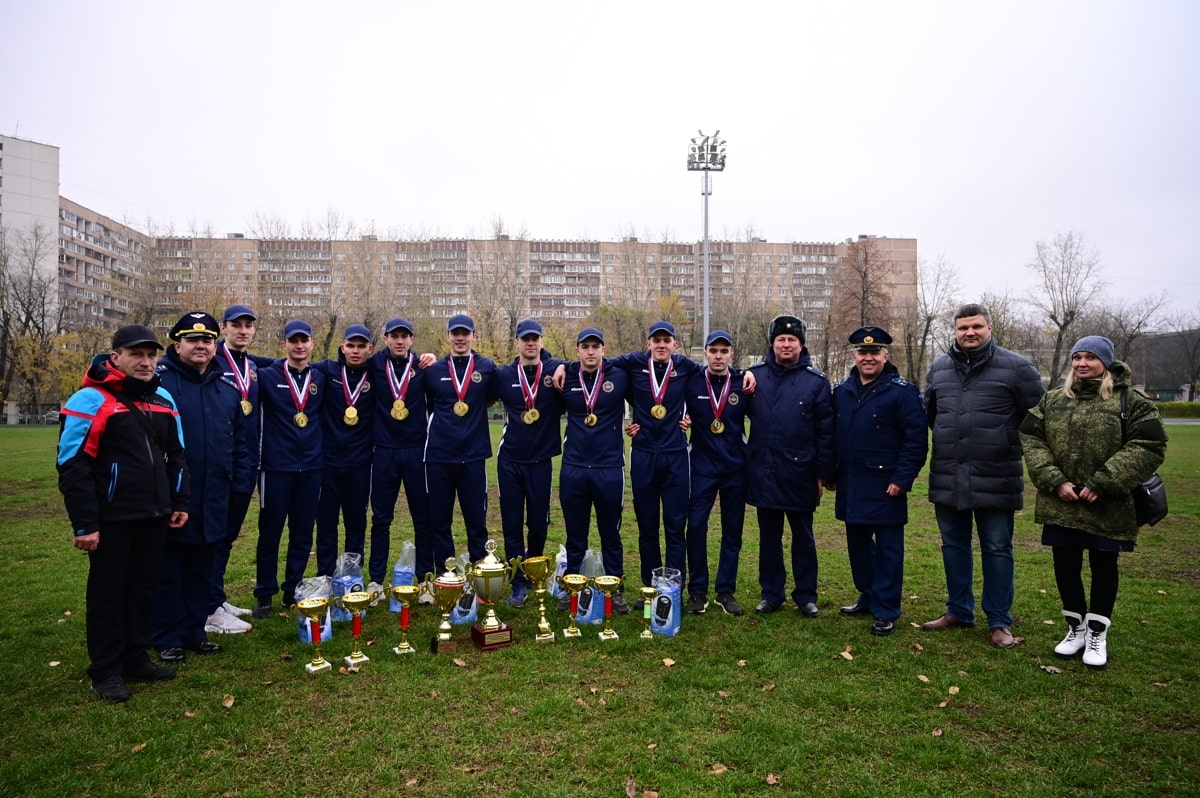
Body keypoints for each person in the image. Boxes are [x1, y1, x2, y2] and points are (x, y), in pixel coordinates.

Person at [57, 324, 189, 702]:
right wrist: (85, 523)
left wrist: (179, 503)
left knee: (143, 589)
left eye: (151, 355)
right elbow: (73, 465)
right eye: (137, 355)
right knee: (108, 594)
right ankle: (106, 668)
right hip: (112, 519)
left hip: (155, 515)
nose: (146, 362)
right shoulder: (89, 399)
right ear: (116, 357)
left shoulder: (163, 398)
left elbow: (177, 456)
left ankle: (136, 656)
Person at [1020, 335, 1167, 668]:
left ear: (1106, 362)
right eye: (1077, 357)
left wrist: (1103, 482)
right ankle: (1076, 628)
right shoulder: (1052, 400)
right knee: (1065, 566)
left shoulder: (1131, 401)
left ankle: (1097, 631)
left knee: (1103, 566)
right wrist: (1055, 480)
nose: (1082, 363)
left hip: (1108, 505)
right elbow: (1031, 437)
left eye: (1090, 358)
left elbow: (1149, 445)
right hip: (1062, 502)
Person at [922, 303, 1045, 648]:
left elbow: (1036, 421)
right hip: (948, 473)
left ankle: (999, 621)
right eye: (963, 328)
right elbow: (932, 417)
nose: (969, 333)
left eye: (976, 326)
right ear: (955, 331)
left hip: (997, 474)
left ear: (989, 328)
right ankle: (959, 609)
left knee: (996, 547)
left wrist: (1004, 446)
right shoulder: (939, 369)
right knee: (954, 546)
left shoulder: (1018, 368)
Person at [153, 312, 251, 662]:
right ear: (177, 344)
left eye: (207, 340)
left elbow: (239, 441)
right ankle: (166, 635)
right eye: (192, 340)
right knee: (170, 567)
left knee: (202, 565)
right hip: (174, 493)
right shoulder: (160, 385)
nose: (201, 346)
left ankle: (195, 630)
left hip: (215, 493)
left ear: (215, 345)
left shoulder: (225, 389)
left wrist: (239, 483)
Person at [829, 326, 928, 636]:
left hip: (886, 483)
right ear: (854, 356)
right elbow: (834, 436)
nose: (868, 357)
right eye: (862, 352)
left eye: (874, 352)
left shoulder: (902, 391)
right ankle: (868, 596)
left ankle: (886, 609)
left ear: (886, 355)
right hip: (852, 481)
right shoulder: (842, 390)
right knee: (858, 546)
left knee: (888, 550)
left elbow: (916, 441)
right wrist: (831, 472)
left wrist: (902, 478)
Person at [745, 314, 834, 617]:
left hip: (801, 473)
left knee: (803, 538)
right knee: (768, 537)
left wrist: (823, 474)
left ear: (801, 344)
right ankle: (771, 593)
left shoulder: (816, 382)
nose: (786, 344)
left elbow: (826, 431)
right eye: (780, 340)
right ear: (772, 344)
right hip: (765, 471)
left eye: (791, 340)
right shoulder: (754, 377)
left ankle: (806, 595)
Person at [607, 320, 702, 593]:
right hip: (643, 454)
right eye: (656, 340)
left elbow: (712, 383)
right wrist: (564, 368)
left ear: (675, 344)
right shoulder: (634, 363)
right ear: (648, 344)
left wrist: (692, 416)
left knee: (675, 528)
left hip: (675, 456)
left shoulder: (685, 367)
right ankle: (650, 588)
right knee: (647, 528)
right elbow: (599, 363)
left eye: (666, 340)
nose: (661, 345)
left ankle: (671, 589)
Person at [252, 319, 325, 618]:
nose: (299, 345)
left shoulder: (320, 376)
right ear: (283, 344)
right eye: (293, 340)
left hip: (311, 467)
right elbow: (231, 355)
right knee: (270, 531)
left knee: (303, 532)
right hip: (275, 466)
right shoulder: (266, 375)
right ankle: (264, 594)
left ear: (311, 344)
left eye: (304, 340)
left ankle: (292, 589)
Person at [556, 327, 631, 613]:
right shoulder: (567, 376)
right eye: (585, 346)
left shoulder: (619, 375)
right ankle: (571, 587)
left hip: (609, 467)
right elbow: (543, 364)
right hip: (574, 466)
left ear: (603, 349)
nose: (590, 351)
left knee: (610, 532)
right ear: (577, 350)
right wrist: (561, 365)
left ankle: (616, 587)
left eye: (595, 346)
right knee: (576, 533)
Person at [494, 319, 565, 607]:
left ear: (542, 341)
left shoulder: (554, 370)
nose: (530, 343)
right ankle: (518, 582)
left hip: (541, 460)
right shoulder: (503, 374)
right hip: (509, 459)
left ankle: (534, 570)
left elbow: (580, 366)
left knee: (538, 522)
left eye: (535, 338)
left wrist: (562, 365)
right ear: (516, 343)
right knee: (511, 523)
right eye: (525, 339)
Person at [682, 330, 750, 616]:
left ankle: (725, 590)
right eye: (713, 351)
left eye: (724, 351)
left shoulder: (744, 381)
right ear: (705, 353)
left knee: (732, 531)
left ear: (731, 354)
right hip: (702, 466)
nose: (718, 356)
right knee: (696, 526)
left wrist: (753, 372)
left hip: (736, 467)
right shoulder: (692, 380)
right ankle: (698, 591)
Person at [424, 314, 500, 565]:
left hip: (474, 456)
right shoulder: (433, 371)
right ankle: (446, 576)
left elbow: (493, 395)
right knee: (439, 521)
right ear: (448, 337)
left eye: (465, 333)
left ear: (473, 337)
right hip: (438, 456)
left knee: (476, 521)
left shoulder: (487, 367)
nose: (460, 338)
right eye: (455, 333)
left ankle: (480, 575)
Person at [368, 317, 432, 599]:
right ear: (385, 340)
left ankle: (426, 579)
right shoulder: (373, 364)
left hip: (416, 451)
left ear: (411, 340)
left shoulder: (423, 367)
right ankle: (375, 581)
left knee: (423, 518)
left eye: (404, 336)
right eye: (394, 336)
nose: (399, 341)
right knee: (381, 518)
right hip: (383, 450)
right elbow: (345, 362)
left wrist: (434, 357)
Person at [206, 304, 259, 633]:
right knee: (212, 536)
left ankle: (216, 596)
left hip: (245, 462)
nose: (242, 330)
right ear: (224, 328)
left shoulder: (252, 366)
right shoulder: (210, 360)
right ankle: (208, 609)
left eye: (248, 326)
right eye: (236, 325)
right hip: (217, 464)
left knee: (227, 537)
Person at [312, 324, 375, 584]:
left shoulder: (377, 372)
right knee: (326, 523)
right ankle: (325, 576)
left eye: (361, 346)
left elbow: (404, 360)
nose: (356, 351)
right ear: (343, 347)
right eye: (351, 346)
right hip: (328, 462)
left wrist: (424, 357)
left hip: (360, 463)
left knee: (356, 524)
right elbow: (285, 363)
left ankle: (351, 576)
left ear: (370, 349)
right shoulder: (326, 370)